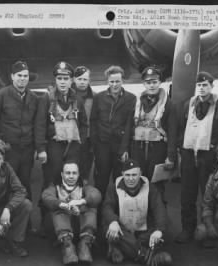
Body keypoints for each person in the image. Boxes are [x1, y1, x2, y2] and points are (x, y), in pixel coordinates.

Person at [167, 71, 218, 243]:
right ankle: (187, 229)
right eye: (199, 85)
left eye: (205, 85)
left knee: (209, 196)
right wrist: (180, 148)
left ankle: (209, 231)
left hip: (209, 157)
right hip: (190, 156)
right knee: (187, 195)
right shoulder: (187, 105)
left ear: (212, 87)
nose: (201, 88)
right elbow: (180, 130)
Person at [0, 60, 48, 198]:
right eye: (19, 75)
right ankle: (5, 217)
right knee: (5, 184)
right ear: (12, 76)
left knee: (25, 183)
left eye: (25, 76)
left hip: (27, 149)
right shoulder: (0, 95)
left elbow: (37, 124)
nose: (22, 79)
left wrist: (38, 147)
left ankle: (26, 218)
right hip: (9, 149)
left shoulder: (34, 98)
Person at [102, 159, 172, 266]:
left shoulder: (150, 187)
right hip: (122, 230)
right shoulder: (113, 187)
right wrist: (113, 221)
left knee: (165, 228)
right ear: (122, 174)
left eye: (134, 175)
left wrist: (159, 230)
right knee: (109, 227)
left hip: (142, 231)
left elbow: (159, 209)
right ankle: (146, 255)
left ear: (140, 174)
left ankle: (125, 249)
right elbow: (107, 207)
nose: (131, 179)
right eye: (127, 175)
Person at [42, 161, 101, 265]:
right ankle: (67, 245)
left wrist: (80, 202)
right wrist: (63, 204)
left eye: (74, 173)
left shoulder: (84, 186)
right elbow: (46, 196)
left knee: (91, 205)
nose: (71, 176)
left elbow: (96, 195)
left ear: (78, 174)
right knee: (57, 208)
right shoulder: (56, 187)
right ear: (62, 174)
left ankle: (85, 244)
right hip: (62, 228)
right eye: (68, 173)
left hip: (81, 226)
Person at [90, 65, 136, 199]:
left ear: (122, 81)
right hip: (102, 145)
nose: (114, 84)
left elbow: (129, 125)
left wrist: (124, 148)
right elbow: (93, 121)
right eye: (112, 81)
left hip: (120, 147)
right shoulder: (99, 98)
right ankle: (98, 214)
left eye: (117, 81)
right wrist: (95, 145)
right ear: (107, 82)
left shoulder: (131, 99)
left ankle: (117, 212)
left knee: (119, 181)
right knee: (101, 181)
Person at [43, 61, 88, 187]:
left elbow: (84, 124)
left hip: (73, 146)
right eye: (59, 78)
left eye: (66, 78)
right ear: (55, 80)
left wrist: (81, 142)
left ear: (71, 80)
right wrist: (41, 148)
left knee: (72, 179)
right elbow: (40, 125)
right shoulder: (47, 99)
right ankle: (49, 205)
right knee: (52, 178)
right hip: (54, 146)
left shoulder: (77, 100)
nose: (62, 82)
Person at [130, 66, 172, 202]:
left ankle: (159, 219)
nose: (152, 85)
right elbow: (129, 126)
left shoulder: (169, 105)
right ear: (144, 84)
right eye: (148, 82)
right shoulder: (137, 103)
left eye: (154, 82)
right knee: (138, 182)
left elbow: (173, 131)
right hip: (139, 148)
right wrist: (125, 149)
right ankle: (141, 216)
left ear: (160, 83)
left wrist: (171, 156)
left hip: (158, 149)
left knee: (156, 185)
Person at [72, 66, 95, 184]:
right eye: (79, 79)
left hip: (88, 140)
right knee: (69, 170)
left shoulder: (95, 97)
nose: (82, 82)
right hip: (70, 140)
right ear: (73, 80)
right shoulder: (67, 95)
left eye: (85, 79)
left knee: (85, 171)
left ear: (89, 81)